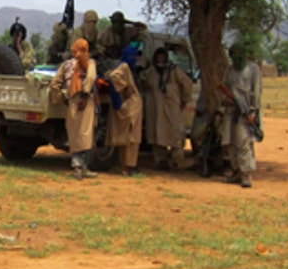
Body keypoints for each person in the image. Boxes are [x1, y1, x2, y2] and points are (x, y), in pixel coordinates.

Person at [50, 37, 99, 179]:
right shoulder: (90, 63)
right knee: (86, 134)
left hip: (72, 101)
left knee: (75, 135)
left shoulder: (66, 65)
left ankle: (77, 167)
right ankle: (83, 168)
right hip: (86, 101)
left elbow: (55, 84)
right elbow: (90, 78)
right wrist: (84, 95)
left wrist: (62, 98)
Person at [141, 47, 193, 171]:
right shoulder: (151, 71)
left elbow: (187, 84)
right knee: (156, 135)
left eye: (162, 57)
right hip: (155, 108)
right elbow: (143, 81)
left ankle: (177, 163)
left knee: (175, 135)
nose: (160, 60)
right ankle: (160, 161)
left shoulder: (174, 71)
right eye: (158, 57)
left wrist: (184, 100)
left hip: (171, 109)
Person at [220, 43, 263, 188]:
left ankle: (246, 173)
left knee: (243, 142)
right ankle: (236, 170)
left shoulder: (253, 69)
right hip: (231, 112)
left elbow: (256, 92)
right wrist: (226, 101)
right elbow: (223, 88)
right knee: (230, 142)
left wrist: (252, 112)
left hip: (246, 112)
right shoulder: (229, 71)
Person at [103, 45, 143, 176]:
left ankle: (125, 165)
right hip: (131, 106)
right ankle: (130, 165)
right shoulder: (124, 67)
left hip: (128, 105)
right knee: (133, 138)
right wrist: (125, 87)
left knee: (126, 137)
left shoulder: (120, 65)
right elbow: (114, 77)